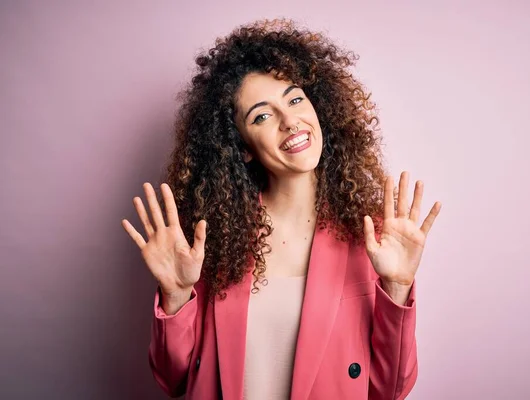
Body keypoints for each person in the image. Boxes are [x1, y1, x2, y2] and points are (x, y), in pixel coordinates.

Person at [121, 18, 441, 400]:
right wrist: (175, 296)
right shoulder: (214, 240)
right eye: (262, 115)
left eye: (294, 99)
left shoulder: (371, 238)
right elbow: (172, 380)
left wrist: (398, 288)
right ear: (240, 146)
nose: (290, 121)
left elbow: (391, 390)